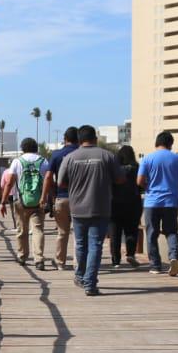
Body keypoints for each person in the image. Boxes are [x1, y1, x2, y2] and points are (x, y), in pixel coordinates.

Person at [55, 125, 123, 295]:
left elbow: (60, 183)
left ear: (79, 140)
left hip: (77, 207)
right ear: (95, 138)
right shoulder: (108, 156)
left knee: (80, 244)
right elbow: (120, 179)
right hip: (100, 207)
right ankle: (90, 283)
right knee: (95, 245)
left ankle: (80, 276)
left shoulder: (70, 157)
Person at [139, 131, 178, 275]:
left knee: (151, 234)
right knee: (171, 232)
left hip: (151, 202)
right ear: (170, 144)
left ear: (156, 143)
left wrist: (149, 187)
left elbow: (140, 181)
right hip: (171, 202)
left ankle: (155, 265)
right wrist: (173, 186)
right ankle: (173, 257)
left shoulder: (147, 159)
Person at [0, 137, 49, 267]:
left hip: (20, 200)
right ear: (36, 148)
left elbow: (9, 182)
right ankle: (39, 259)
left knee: (22, 230)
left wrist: (4, 201)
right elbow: (49, 181)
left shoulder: (17, 161)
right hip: (38, 201)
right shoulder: (43, 161)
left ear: (22, 148)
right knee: (38, 230)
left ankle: (22, 256)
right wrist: (47, 198)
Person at [40, 126, 80, 269]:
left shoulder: (57, 155)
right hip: (80, 199)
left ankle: (60, 262)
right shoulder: (81, 153)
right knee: (78, 233)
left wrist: (44, 197)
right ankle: (78, 262)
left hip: (61, 198)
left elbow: (49, 177)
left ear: (65, 139)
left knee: (62, 232)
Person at [109, 144, 142, 267]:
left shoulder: (114, 169)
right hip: (133, 204)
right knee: (132, 231)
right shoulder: (136, 167)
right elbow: (141, 184)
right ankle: (130, 254)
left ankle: (115, 260)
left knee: (115, 233)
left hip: (114, 204)